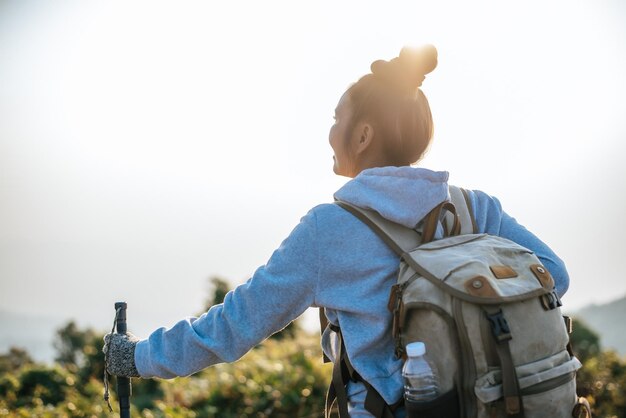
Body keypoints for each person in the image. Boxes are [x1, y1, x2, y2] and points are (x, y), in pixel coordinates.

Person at [103, 45, 569, 417]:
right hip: (495, 405)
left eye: (336, 119)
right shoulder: (474, 207)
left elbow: (233, 326)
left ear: (363, 135)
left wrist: (138, 357)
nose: (330, 131)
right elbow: (553, 276)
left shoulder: (329, 231)